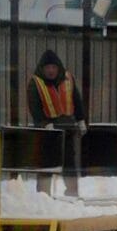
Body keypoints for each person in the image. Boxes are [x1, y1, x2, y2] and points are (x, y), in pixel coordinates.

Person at [27, 49, 86, 196]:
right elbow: (34, 107)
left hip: (67, 128)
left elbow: (76, 100)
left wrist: (81, 119)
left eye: (53, 67)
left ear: (58, 67)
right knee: (47, 163)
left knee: (69, 163)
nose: (51, 71)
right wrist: (44, 124)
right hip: (48, 130)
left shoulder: (68, 78)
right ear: (42, 69)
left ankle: (72, 193)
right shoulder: (36, 83)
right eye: (48, 68)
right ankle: (43, 196)